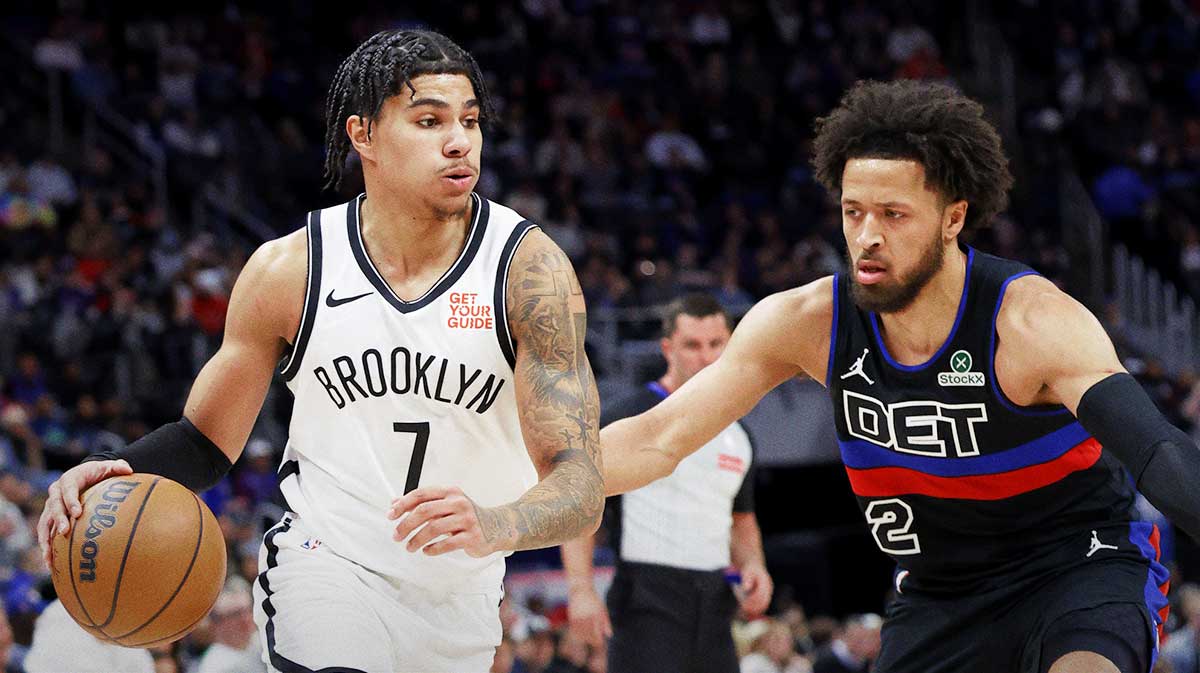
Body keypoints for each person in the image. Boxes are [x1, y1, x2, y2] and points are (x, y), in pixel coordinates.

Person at [37, 29, 604, 673]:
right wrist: (114, 468)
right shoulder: (290, 269)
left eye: (470, 122)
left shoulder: (527, 272)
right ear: (363, 136)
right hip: (327, 565)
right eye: (428, 121)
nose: (459, 141)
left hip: (461, 597)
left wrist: (498, 522)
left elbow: (581, 483)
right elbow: (204, 441)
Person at [600, 79, 1200, 673]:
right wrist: (519, 480)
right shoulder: (805, 322)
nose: (868, 237)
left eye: (894, 214)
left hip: (1079, 564)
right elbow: (658, 437)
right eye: (853, 212)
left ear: (953, 217)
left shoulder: (1031, 322)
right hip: (941, 590)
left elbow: (1159, 453)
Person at [561, 293, 772, 673]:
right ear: (667, 348)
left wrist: (755, 565)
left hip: (715, 601)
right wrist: (580, 590)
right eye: (692, 345)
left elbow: (742, 519)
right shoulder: (627, 417)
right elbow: (579, 505)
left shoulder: (738, 434)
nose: (705, 357)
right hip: (646, 595)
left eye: (715, 345)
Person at [810, 614, 881, 673]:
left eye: (863, 638)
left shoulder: (866, 659)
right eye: (856, 637)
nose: (862, 642)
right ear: (845, 636)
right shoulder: (825, 659)